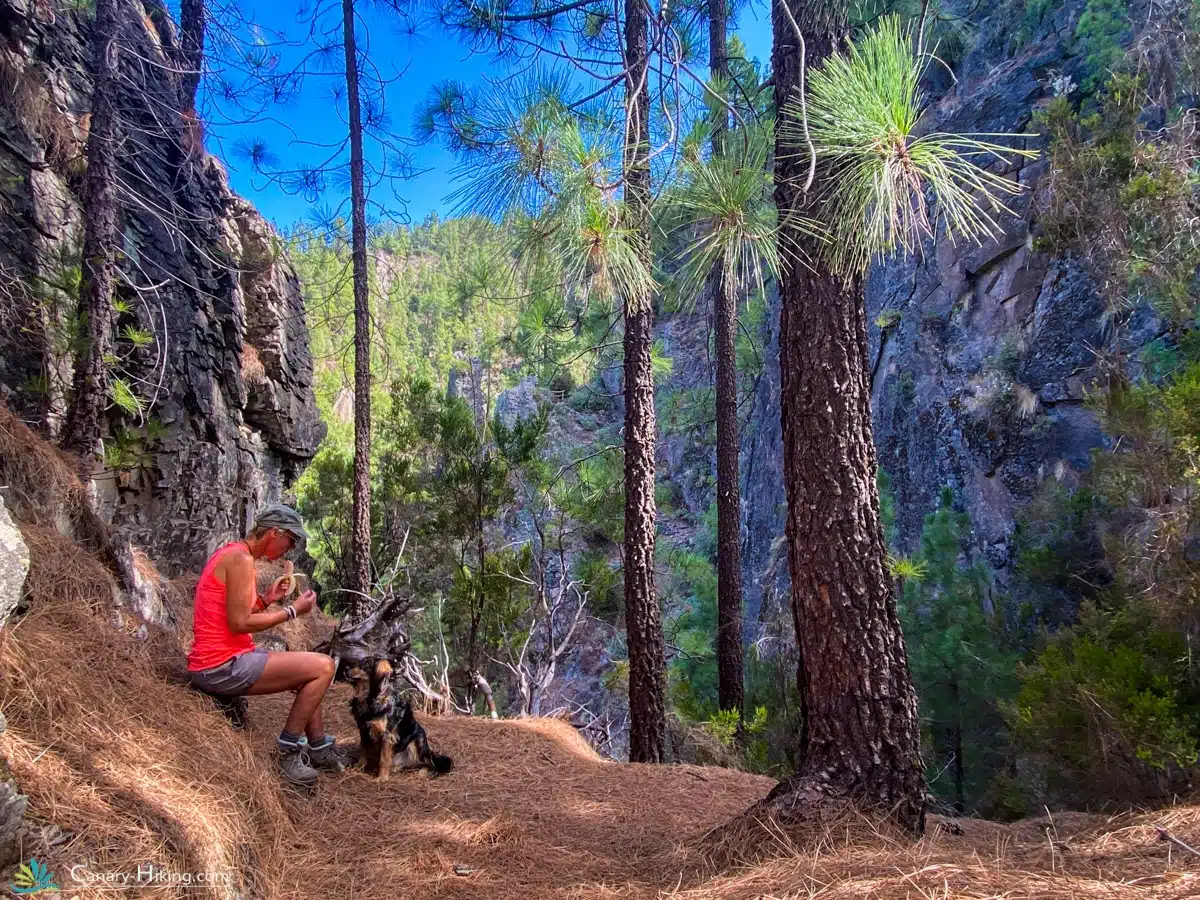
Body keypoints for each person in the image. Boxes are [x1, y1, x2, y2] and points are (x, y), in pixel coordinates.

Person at [186, 504, 346, 786]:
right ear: (275, 532)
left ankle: (319, 748)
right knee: (324, 666)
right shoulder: (240, 559)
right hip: (220, 666)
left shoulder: (236, 555)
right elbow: (239, 623)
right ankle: (286, 753)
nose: (290, 548)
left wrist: (266, 599)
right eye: (291, 540)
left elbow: (236, 615)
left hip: (225, 657)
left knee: (306, 672)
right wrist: (292, 611)